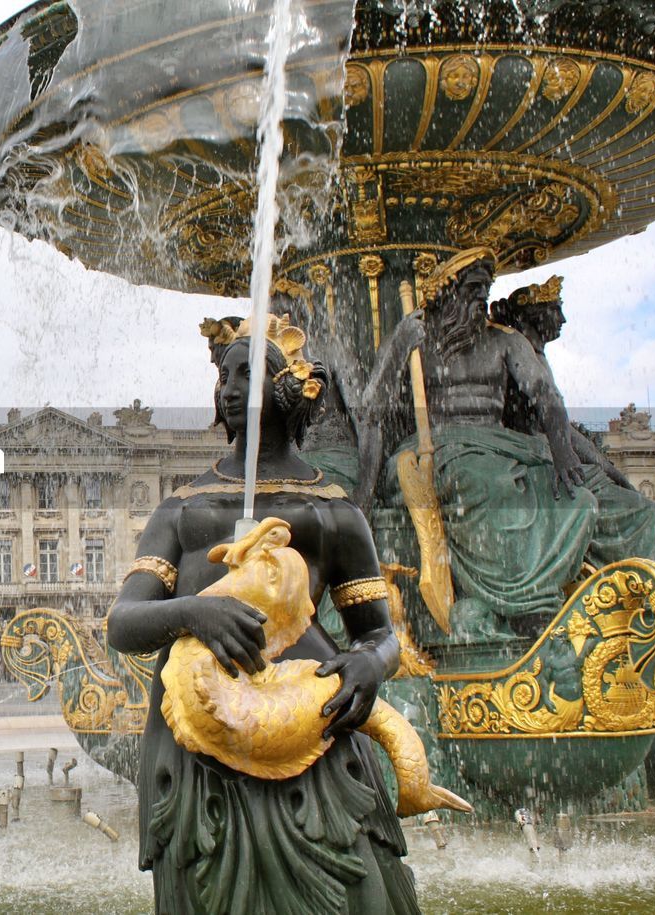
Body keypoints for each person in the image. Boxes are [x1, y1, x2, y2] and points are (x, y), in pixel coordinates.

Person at [107, 315, 417, 914]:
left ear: (289, 385)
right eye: (224, 374)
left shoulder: (333, 510)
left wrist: (371, 666)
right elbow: (123, 624)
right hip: (202, 750)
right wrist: (195, 614)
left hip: (316, 729)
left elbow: (380, 633)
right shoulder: (181, 509)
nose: (228, 385)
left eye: (247, 372)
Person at [356, 248, 595, 637]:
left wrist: (562, 448)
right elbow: (370, 407)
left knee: (579, 497)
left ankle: (544, 596)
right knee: (486, 483)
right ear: (446, 294)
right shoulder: (415, 338)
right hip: (439, 447)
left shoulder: (505, 342)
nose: (481, 300)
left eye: (486, 290)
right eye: (472, 290)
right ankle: (516, 604)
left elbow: (545, 393)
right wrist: (398, 346)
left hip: (501, 445)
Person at [490, 277, 655, 565]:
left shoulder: (528, 353)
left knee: (637, 505)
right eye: (557, 310)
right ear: (535, 313)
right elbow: (554, 426)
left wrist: (605, 465)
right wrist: (603, 466)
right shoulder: (519, 353)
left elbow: (562, 428)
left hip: (536, 454)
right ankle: (636, 596)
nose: (564, 320)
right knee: (644, 512)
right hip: (532, 459)